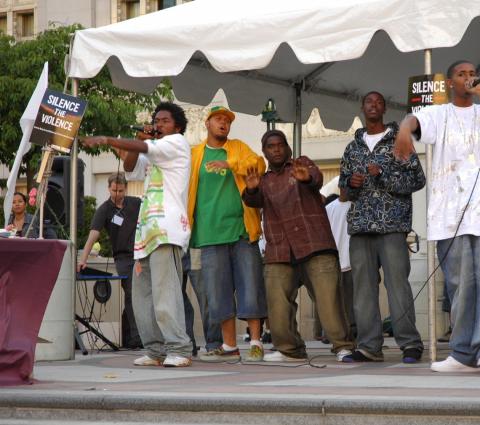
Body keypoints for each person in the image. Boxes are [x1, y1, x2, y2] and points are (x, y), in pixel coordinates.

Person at [394, 60, 480, 372]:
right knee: (460, 284)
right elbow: (413, 120)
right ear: (449, 82)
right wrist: (405, 130)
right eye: (462, 74)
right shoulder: (439, 113)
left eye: (472, 73)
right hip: (450, 214)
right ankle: (461, 353)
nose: (469, 78)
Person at [83, 102, 193, 367]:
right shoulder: (155, 152)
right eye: (156, 120)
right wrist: (139, 138)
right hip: (146, 234)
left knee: (165, 293)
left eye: (164, 120)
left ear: (177, 126)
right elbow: (131, 164)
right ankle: (155, 350)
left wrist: (107, 139)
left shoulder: (177, 143)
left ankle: (179, 348)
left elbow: (142, 149)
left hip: (167, 230)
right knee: (142, 297)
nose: (158, 124)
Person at [243, 129, 355, 363]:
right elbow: (252, 201)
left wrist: (306, 178)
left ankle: (343, 346)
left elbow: (316, 178)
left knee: (329, 301)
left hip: (315, 243)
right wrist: (252, 189)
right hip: (280, 249)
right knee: (277, 305)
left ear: (288, 148)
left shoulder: (301, 164)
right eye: (270, 146)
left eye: (280, 145)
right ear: (264, 152)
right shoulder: (264, 180)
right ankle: (290, 349)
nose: (276, 149)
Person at [340, 91, 425, 363]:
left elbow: (417, 180)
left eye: (378, 102)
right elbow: (343, 192)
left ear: (385, 108)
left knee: (397, 285)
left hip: (392, 226)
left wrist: (383, 174)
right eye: (369, 102)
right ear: (362, 107)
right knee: (363, 289)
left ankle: (410, 344)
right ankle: (368, 346)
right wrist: (349, 185)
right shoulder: (353, 147)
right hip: (361, 227)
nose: (373, 106)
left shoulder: (400, 141)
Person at [186, 106, 267, 362]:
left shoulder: (238, 147)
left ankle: (255, 342)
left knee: (251, 286)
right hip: (207, 235)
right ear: (207, 124)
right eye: (218, 119)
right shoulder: (194, 154)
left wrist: (229, 163)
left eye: (227, 121)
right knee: (217, 293)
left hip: (242, 231)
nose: (223, 124)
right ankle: (229, 346)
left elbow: (258, 164)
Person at [77, 172, 143, 349]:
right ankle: (137, 338)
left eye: (121, 190)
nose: (117, 194)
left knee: (140, 296)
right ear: (108, 188)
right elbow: (93, 235)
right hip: (123, 258)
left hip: (141, 255)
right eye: (114, 190)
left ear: (126, 189)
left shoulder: (136, 203)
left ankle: (131, 336)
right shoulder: (104, 209)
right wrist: (83, 259)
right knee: (131, 294)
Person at [325, 187, 356, 339]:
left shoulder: (358, 205)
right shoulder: (328, 209)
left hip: (353, 263)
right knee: (334, 304)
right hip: (334, 263)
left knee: (353, 305)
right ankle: (336, 336)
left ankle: (354, 335)